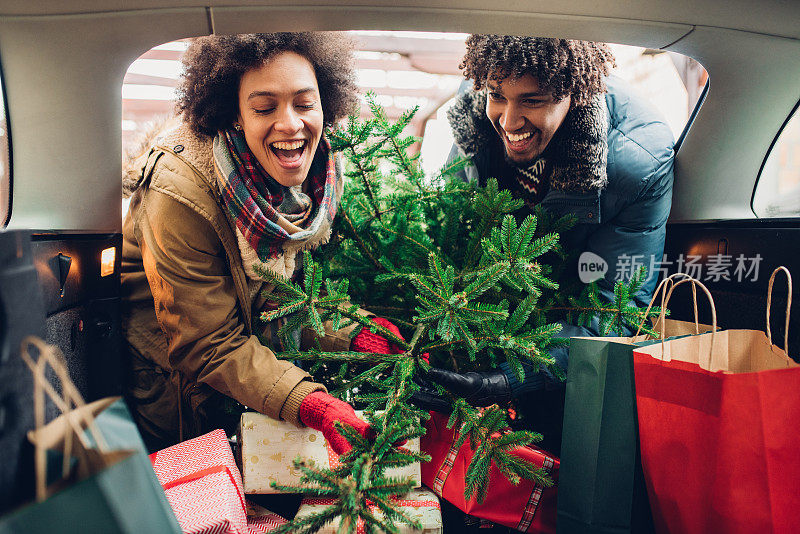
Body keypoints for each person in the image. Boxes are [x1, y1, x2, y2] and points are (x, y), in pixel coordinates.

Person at [121, 32, 396, 453]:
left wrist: (359, 335)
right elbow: (208, 345)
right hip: (179, 404)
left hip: (245, 387)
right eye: (265, 108)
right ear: (234, 116)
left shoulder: (309, 187)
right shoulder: (178, 194)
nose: (290, 124)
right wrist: (311, 403)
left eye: (305, 104)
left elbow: (276, 305)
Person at [423, 35, 675, 451]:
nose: (508, 121)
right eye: (497, 97)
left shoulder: (636, 162)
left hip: (568, 323)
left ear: (574, 94)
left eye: (533, 101)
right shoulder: (474, 123)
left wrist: (507, 378)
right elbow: (453, 235)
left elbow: (616, 308)